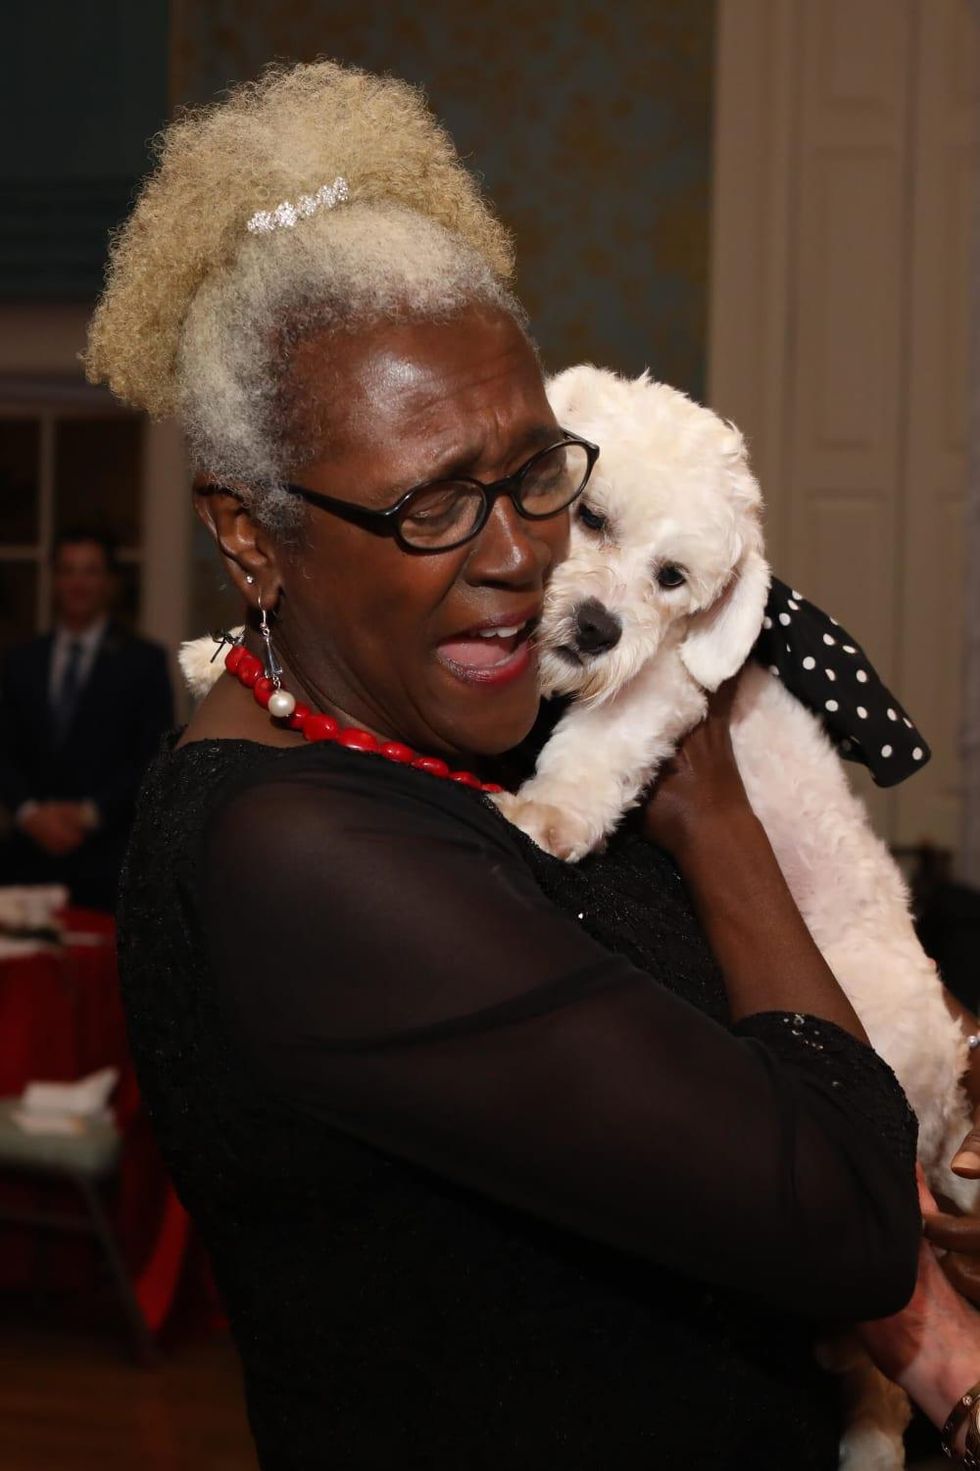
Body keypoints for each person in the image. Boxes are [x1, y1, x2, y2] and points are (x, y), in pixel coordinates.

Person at [82, 60, 970, 1469]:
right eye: (433, 502)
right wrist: (714, 801)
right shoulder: (297, 855)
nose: (519, 556)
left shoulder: (456, 741)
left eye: (536, 471)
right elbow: (842, 1219)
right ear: (249, 533)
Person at [0, 527, 174, 911]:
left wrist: (88, 814)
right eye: (68, 570)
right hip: (25, 863)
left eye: (90, 571)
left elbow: (153, 757)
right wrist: (30, 814)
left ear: (109, 581)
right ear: (54, 579)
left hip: (110, 865)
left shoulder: (143, 663)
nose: (78, 583)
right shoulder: (21, 661)